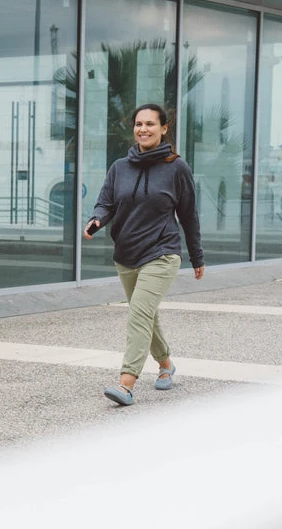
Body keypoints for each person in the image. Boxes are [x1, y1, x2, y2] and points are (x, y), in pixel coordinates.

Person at [83, 103, 204, 406]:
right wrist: (97, 220)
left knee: (138, 313)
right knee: (146, 314)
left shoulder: (177, 168)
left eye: (150, 124)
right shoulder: (119, 167)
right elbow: (106, 202)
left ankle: (126, 383)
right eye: (139, 124)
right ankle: (166, 365)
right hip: (126, 254)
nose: (143, 129)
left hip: (162, 252)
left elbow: (189, 215)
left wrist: (197, 256)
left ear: (164, 128)